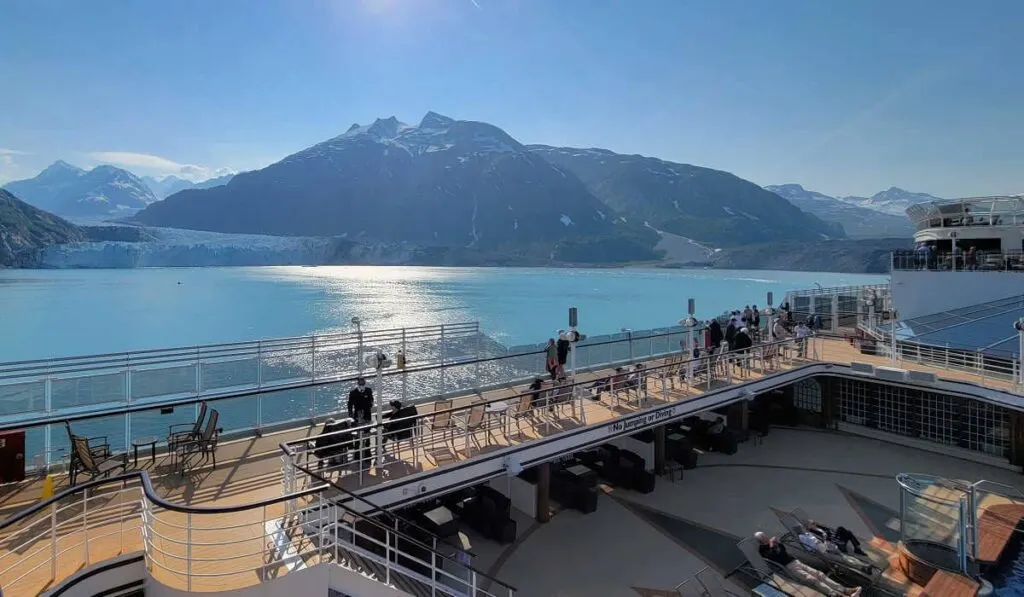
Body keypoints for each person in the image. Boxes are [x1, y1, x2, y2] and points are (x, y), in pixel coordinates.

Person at [755, 532, 861, 597]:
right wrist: (773, 546)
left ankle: (845, 590)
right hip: (788, 566)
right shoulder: (763, 550)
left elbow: (783, 550)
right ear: (760, 541)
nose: (765, 538)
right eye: (763, 538)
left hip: (794, 561)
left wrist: (777, 544)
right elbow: (776, 557)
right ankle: (835, 595)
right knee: (812, 579)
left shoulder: (771, 543)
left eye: (765, 536)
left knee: (819, 574)